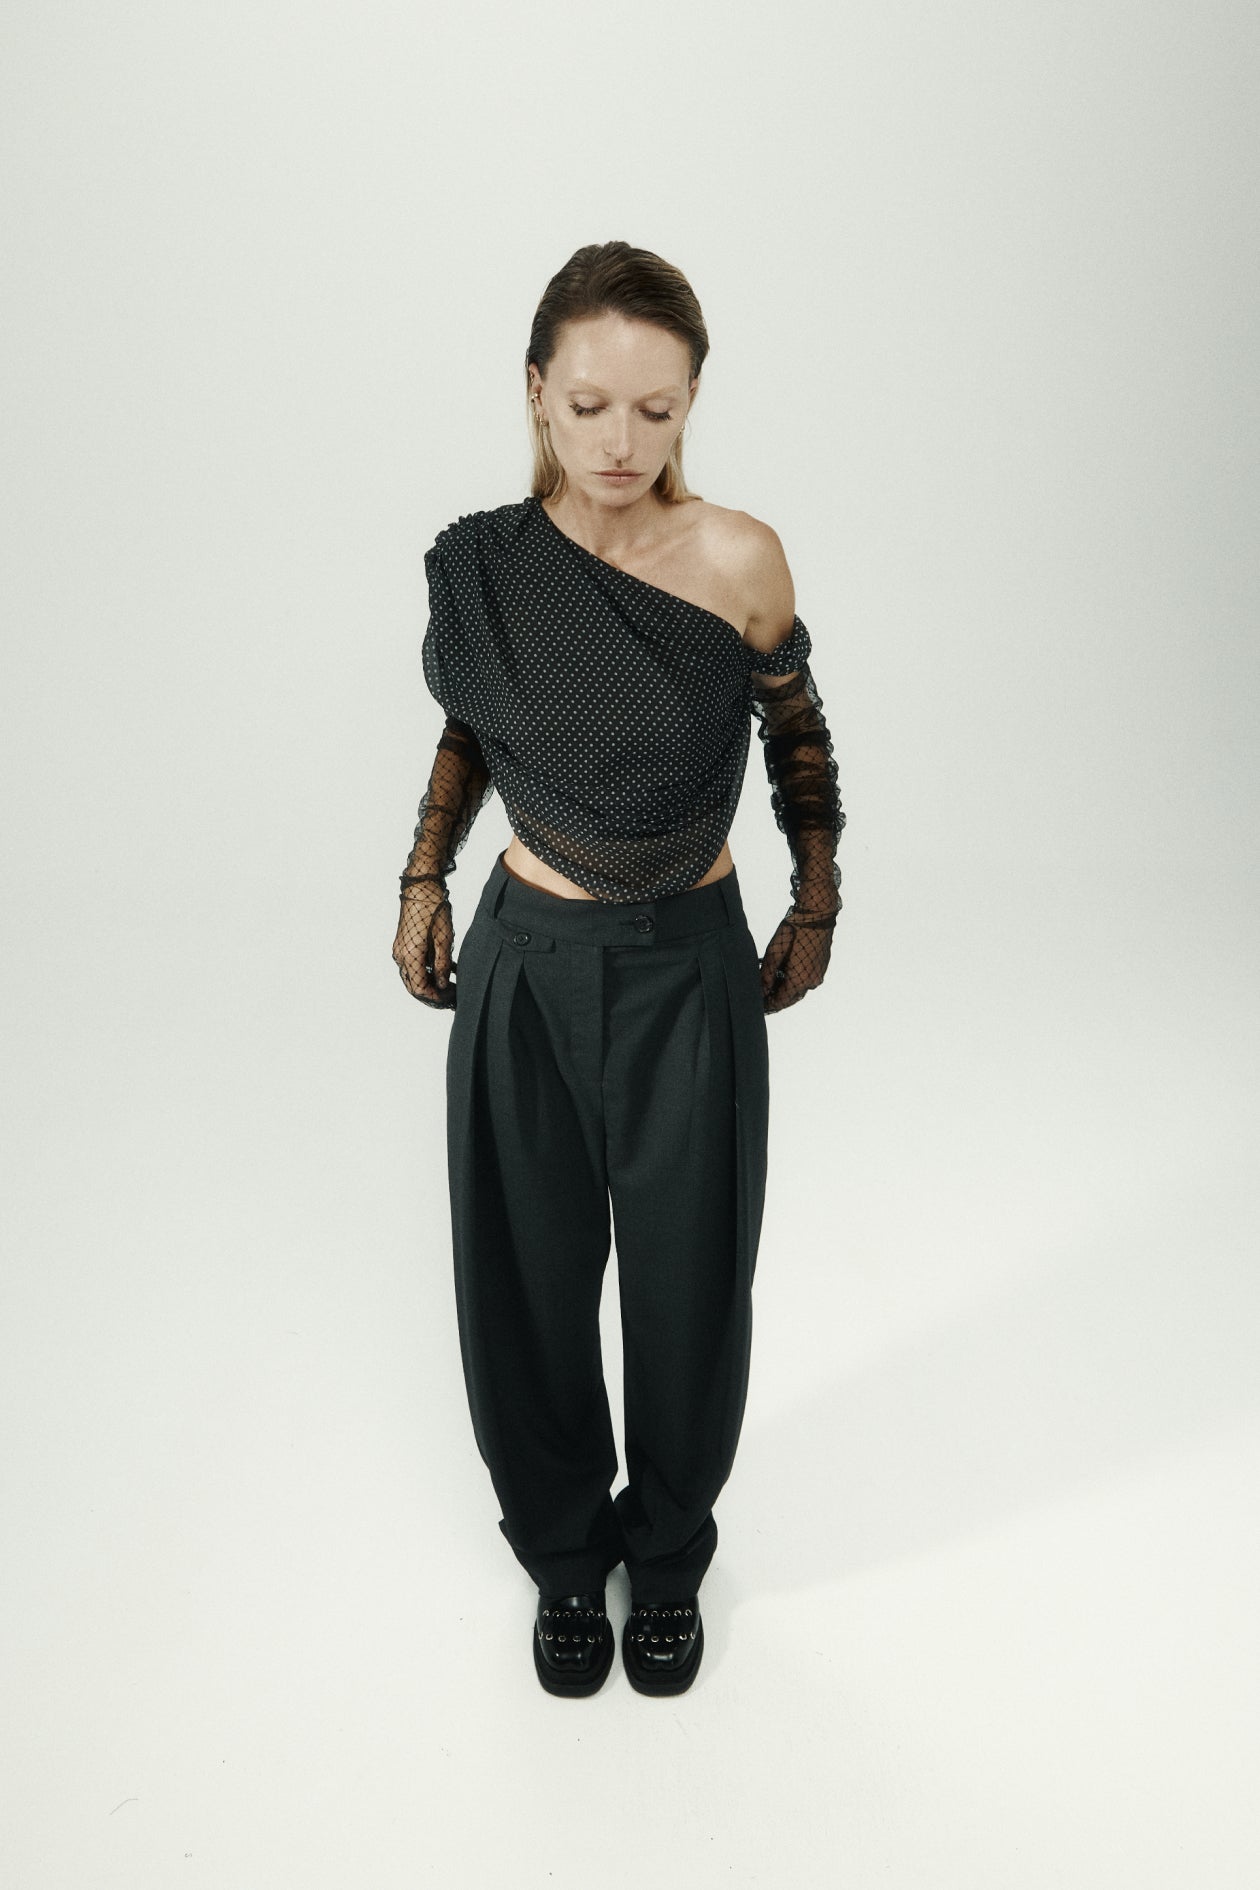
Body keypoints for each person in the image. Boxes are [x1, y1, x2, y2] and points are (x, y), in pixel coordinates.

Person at [392, 241, 845, 1698]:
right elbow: (474, 730)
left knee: (690, 1282)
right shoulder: (485, 565)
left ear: (693, 400)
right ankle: (560, 1552)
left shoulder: (739, 558)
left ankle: (669, 1554)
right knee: (521, 1280)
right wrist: (422, 874)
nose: (620, 443)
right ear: (536, 390)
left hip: (688, 972)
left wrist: (817, 896)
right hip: (527, 965)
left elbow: (797, 735)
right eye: (589, 405)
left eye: (658, 409)